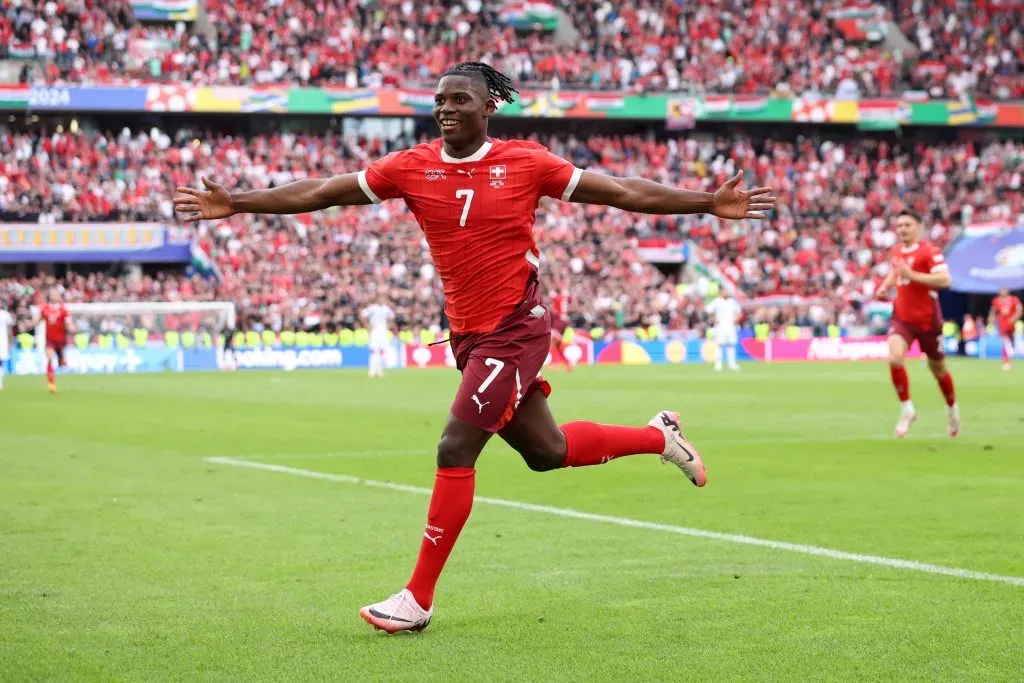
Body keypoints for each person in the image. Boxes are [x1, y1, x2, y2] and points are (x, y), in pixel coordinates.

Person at [173, 61, 777, 634]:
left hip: (515, 328)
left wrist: (706, 203)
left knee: (454, 447)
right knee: (547, 451)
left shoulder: (526, 162)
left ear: (489, 107)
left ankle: (417, 599)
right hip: (469, 335)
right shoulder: (410, 166)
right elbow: (322, 192)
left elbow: (622, 191)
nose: (446, 108)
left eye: (459, 99)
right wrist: (238, 202)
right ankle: (659, 436)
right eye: (439, 100)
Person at [877, 211, 958, 438]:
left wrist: (912, 274)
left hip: (927, 321)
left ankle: (952, 409)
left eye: (907, 225)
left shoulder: (929, 251)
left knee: (938, 370)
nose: (902, 229)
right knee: (895, 357)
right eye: (899, 225)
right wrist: (885, 287)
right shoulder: (897, 250)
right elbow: (896, 271)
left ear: (918, 227)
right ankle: (907, 409)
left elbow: (945, 280)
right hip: (902, 318)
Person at [31, 289, 74, 394]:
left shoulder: (63, 309)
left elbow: (68, 322)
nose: (54, 296)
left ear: (59, 297)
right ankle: (51, 384)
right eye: (52, 295)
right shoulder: (45, 308)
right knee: (49, 358)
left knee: (61, 362)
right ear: (50, 297)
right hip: (50, 340)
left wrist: (72, 328)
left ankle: (61, 359)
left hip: (61, 340)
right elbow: (38, 319)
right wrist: (33, 323)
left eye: (56, 295)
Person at [706, 289, 742, 371]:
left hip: (731, 326)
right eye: (724, 292)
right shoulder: (717, 301)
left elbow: (739, 312)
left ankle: (732, 364)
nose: (725, 293)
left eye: (726, 292)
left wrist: (736, 319)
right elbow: (708, 310)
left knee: (731, 344)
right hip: (720, 326)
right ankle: (718, 364)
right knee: (719, 344)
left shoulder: (732, 301)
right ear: (720, 293)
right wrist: (713, 319)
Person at [361, 295, 396, 378]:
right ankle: (372, 371)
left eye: (383, 299)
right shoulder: (373, 308)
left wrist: (389, 325)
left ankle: (379, 371)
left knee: (381, 351)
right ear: (377, 299)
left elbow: (392, 316)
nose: (382, 300)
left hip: (383, 331)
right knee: (374, 351)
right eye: (380, 298)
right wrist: (367, 325)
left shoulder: (386, 308)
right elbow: (362, 314)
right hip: (375, 331)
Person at [990, 287, 1022, 371]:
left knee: (1010, 342)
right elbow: (993, 310)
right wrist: (991, 317)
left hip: (1011, 324)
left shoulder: (1014, 299)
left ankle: (1009, 358)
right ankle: (1006, 361)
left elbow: (1019, 309)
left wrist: (1014, 317)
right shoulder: (996, 300)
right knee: (1005, 342)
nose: (1003, 293)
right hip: (1002, 323)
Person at [0, 301, 13, 390]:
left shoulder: (5, 315)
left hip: (2, 341)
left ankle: (0, 382)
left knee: (0, 361)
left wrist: (10, 341)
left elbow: (9, 329)